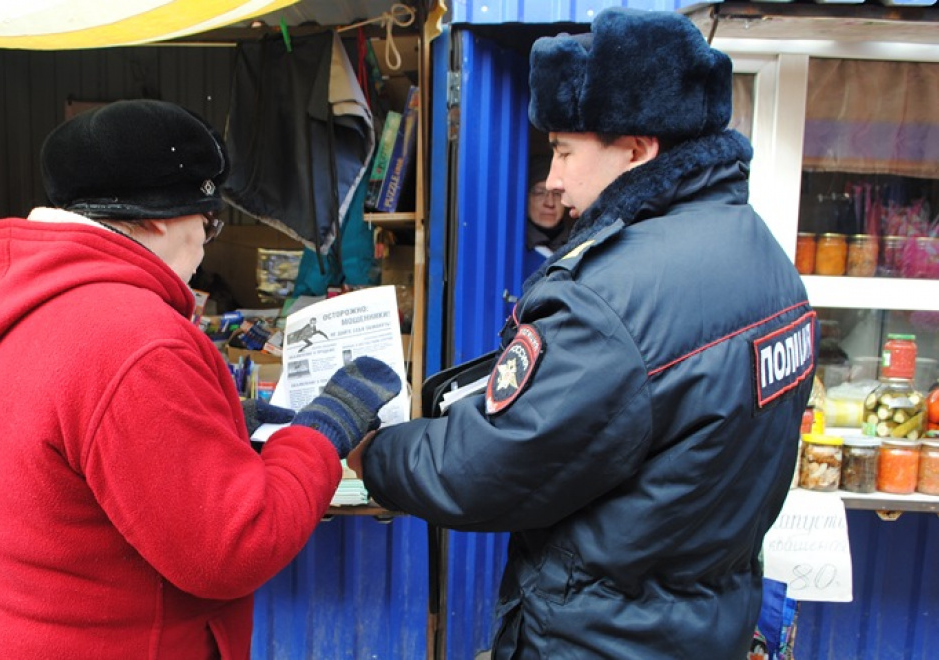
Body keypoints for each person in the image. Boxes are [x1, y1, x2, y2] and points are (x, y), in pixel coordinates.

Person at [348, 8, 815, 659]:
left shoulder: (613, 296)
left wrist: (374, 454)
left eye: (566, 150)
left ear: (637, 150)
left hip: (602, 637)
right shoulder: (765, 258)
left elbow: (491, 468)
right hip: (710, 625)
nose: (553, 177)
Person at [0, 99, 401, 659]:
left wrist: (217, 422)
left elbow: (72, 446)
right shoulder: (135, 338)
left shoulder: (19, 300)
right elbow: (235, 546)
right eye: (208, 222)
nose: (206, 242)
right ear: (160, 216)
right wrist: (323, 431)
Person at [522, 154, 571, 281]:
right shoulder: (513, 250)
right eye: (539, 193)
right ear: (525, 198)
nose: (549, 203)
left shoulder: (580, 245)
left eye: (557, 194)